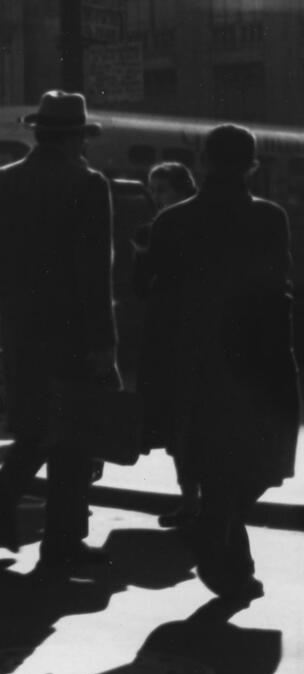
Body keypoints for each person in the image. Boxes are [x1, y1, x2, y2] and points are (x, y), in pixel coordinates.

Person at [0, 90, 119, 578]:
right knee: (74, 436)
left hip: (22, 328)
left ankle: (11, 495)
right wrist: (104, 345)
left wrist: (11, 294)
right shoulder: (88, 184)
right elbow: (96, 274)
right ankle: (60, 542)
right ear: (77, 137)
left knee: (34, 424)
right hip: (73, 329)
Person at [140, 124, 298, 604]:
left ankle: (223, 544)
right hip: (256, 355)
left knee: (210, 460)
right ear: (252, 166)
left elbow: (156, 299)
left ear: (202, 162)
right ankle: (223, 546)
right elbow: (277, 290)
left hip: (193, 358)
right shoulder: (270, 218)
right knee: (256, 461)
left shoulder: (171, 222)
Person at [131, 161, 199, 527]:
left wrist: (142, 256)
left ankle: (192, 500)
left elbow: (141, 288)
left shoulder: (159, 228)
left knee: (180, 418)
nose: (156, 197)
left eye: (162, 189)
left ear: (183, 187)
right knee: (180, 420)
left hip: (171, 333)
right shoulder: (162, 226)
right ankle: (192, 499)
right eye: (153, 190)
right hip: (176, 333)